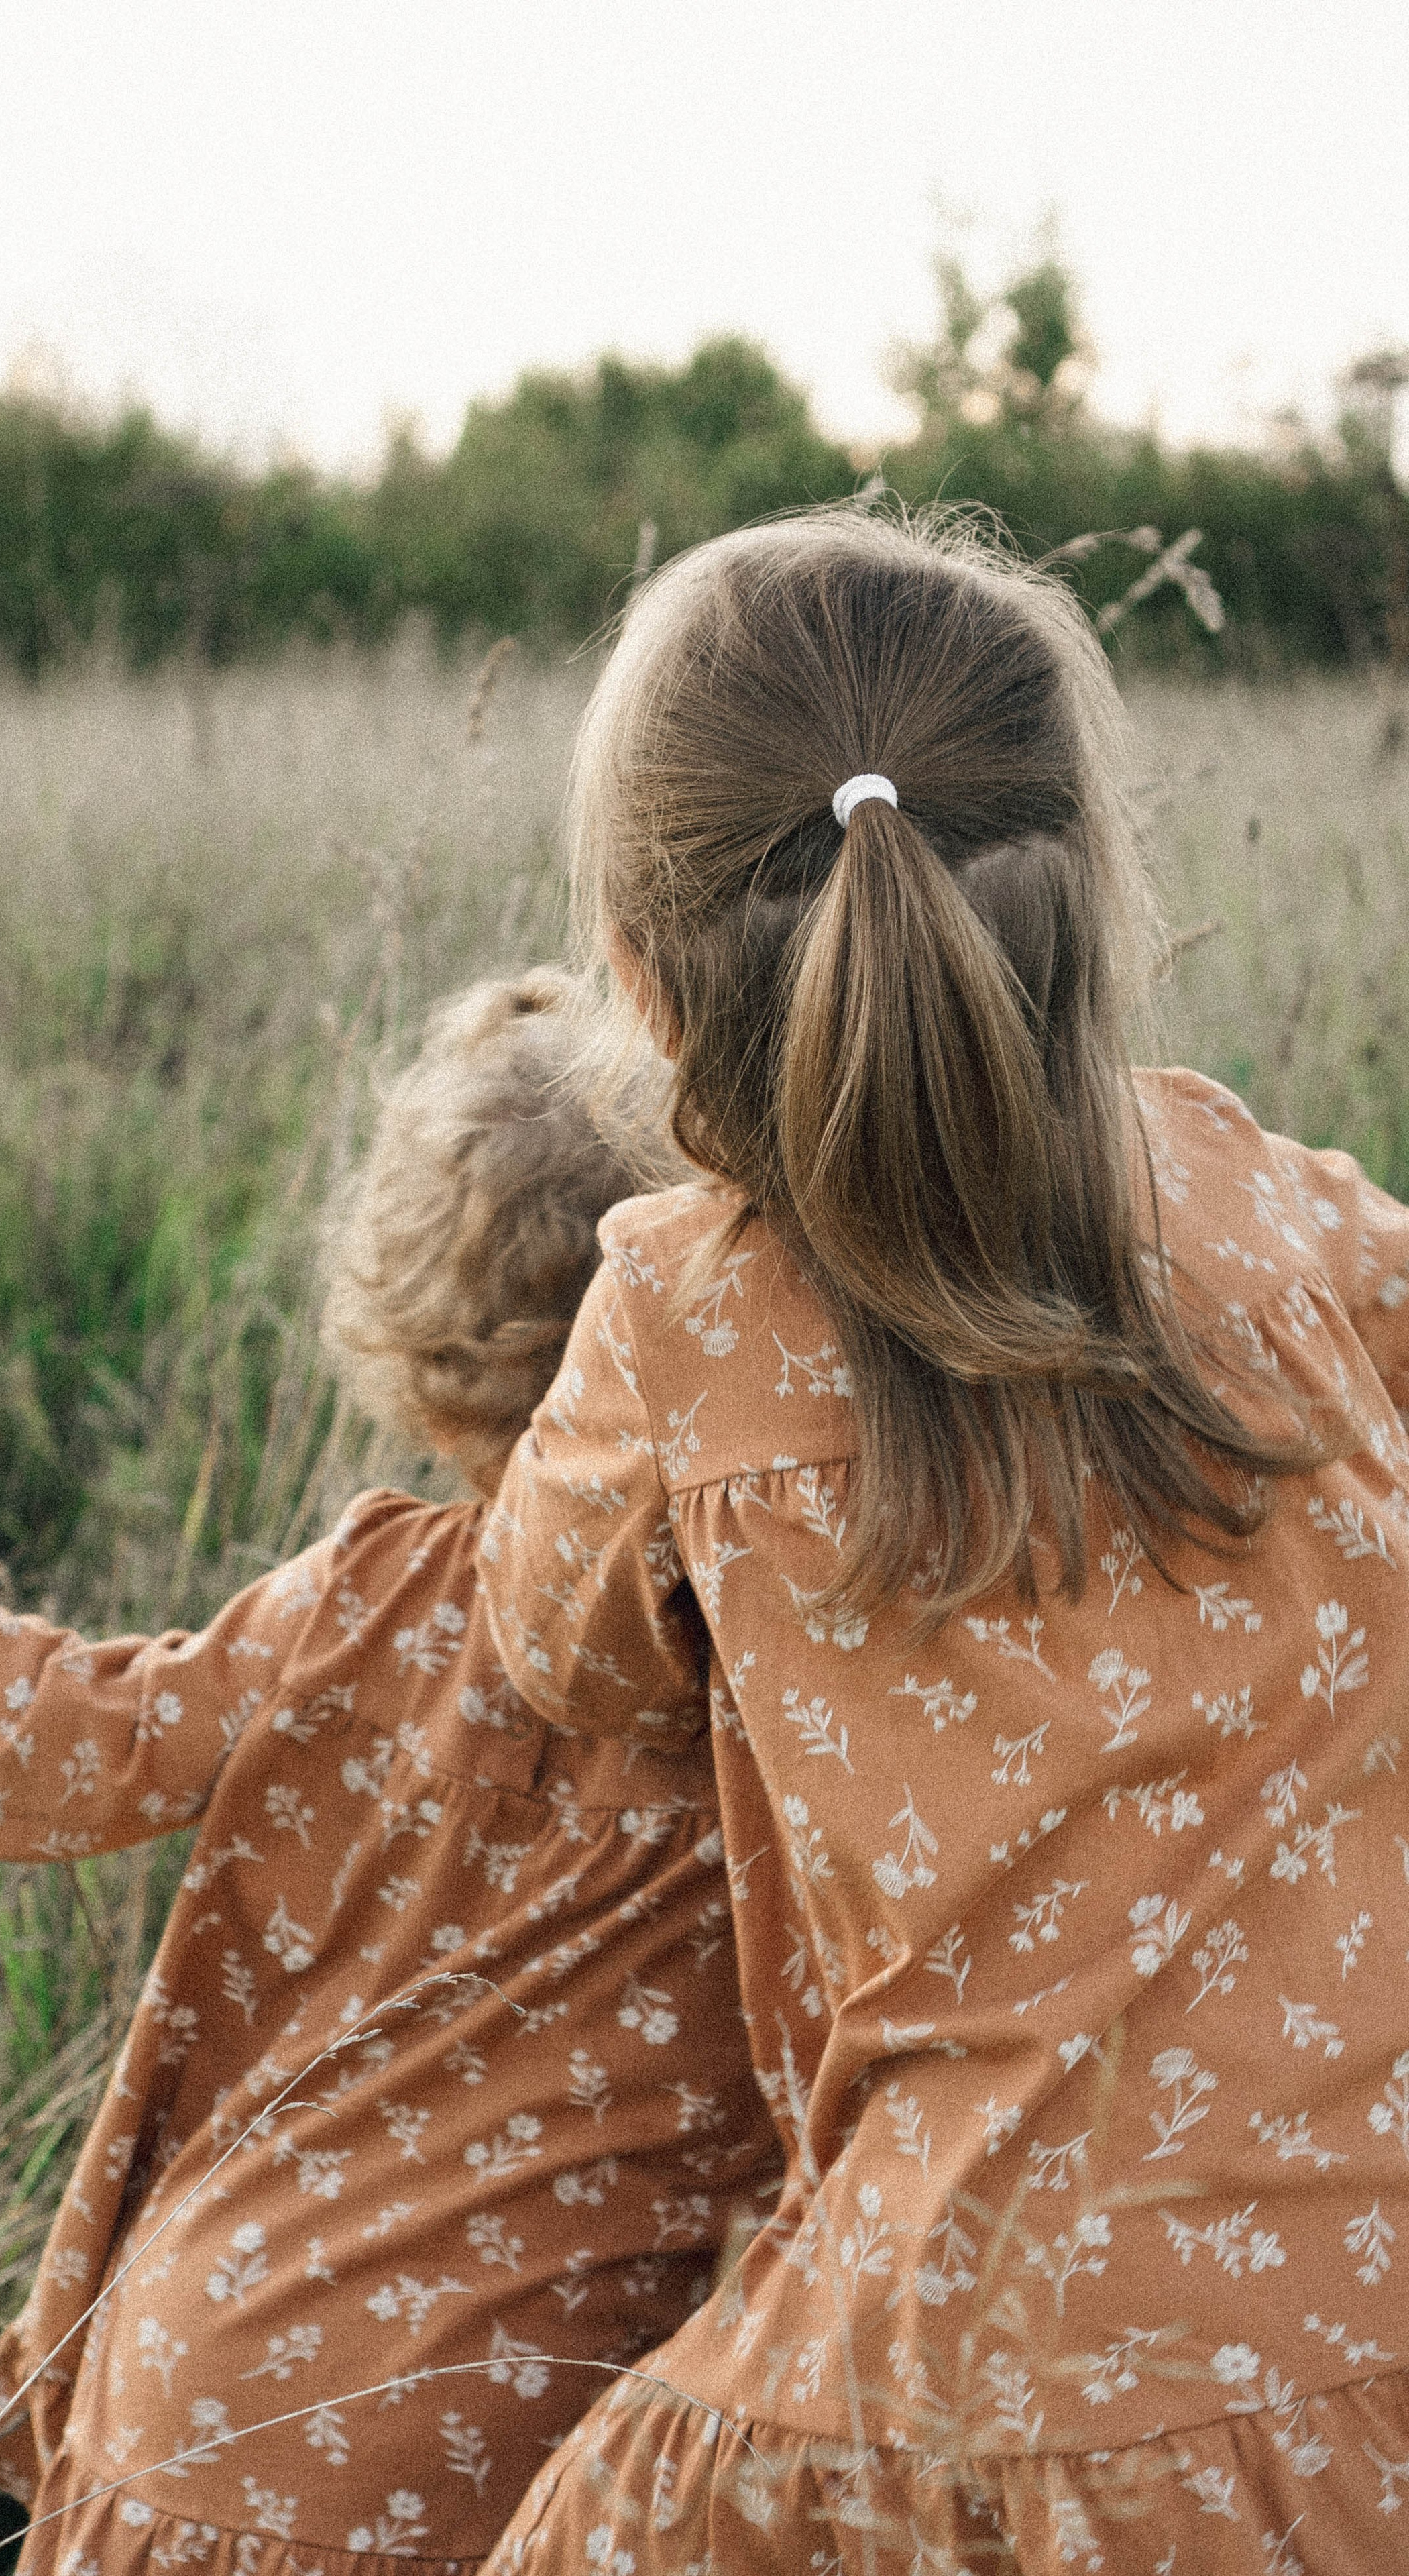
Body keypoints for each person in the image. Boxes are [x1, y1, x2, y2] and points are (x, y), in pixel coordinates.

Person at [473, 509, 1409, 2575]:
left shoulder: (675, 1319)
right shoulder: (1281, 1207)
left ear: (640, 971)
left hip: (986, 2368)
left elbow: (554, 1652)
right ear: (1094, 897)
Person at [0, 970, 782, 2576]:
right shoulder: (787, 1699)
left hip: (190, 2388)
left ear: (415, 1356)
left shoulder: (363, 1603)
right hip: (494, 2464)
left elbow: (53, 1750)